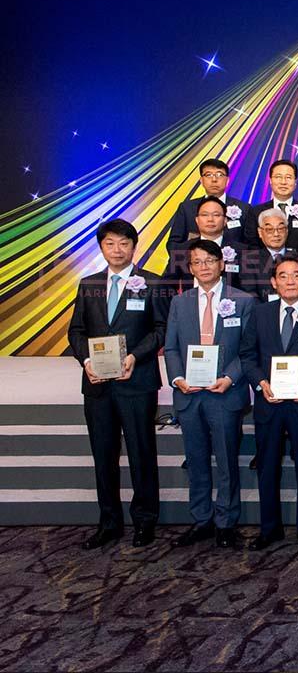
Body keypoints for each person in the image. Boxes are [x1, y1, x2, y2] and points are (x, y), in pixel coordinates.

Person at [67, 219, 170, 549]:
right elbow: (76, 331)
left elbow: (160, 329)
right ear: (101, 248)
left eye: (124, 243)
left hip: (136, 382)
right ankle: (108, 522)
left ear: (134, 247)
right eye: (110, 244)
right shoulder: (89, 285)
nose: (117, 250)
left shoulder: (152, 283)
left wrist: (135, 357)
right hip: (98, 385)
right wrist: (86, 361)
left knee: (142, 453)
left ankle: (144, 520)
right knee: (103, 456)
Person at [163, 239, 256, 549]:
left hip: (224, 393)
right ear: (190, 268)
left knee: (227, 461)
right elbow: (171, 347)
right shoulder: (180, 303)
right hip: (189, 394)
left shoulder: (243, 301)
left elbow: (248, 349)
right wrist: (177, 378)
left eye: (209, 261)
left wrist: (230, 378)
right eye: (197, 262)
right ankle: (202, 519)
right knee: (196, 460)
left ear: (222, 264)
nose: (203, 267)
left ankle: (226, 522)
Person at [238, 253, 298, 549]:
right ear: (273, 282)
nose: (290, 281)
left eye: (296, 275)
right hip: (270, 403)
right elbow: (247, 355)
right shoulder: (260, 313)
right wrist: (261, 383)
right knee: (267, 468)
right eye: (283, 276)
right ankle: (269, 529)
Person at [166, 158, 252, 258]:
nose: (214, 179)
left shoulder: (244, 208)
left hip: (234, 265)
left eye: (219, 175)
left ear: (227, 180)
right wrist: (192, 262)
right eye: (208, 175)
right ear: (201, 181)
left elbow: (251, 244)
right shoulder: (187, 208)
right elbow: (174, 243)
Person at [168, 196, 246, 292]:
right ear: (197, 220)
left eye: (216, 215)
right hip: (190, 300)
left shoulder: (243, 251)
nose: (210, 219)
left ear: (225, 221)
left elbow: (249, 289)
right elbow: (166, 286)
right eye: (205, 215)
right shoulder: (181, 250)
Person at [247, 159, 298, 250]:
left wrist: (294, 259)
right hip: (264, 259)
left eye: (288, 177)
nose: (283, 182)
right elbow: (251, 244)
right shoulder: (256, 212)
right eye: (278, 177)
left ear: (295, 182)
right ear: (270, 181)